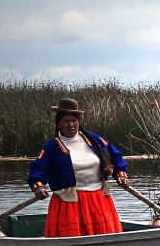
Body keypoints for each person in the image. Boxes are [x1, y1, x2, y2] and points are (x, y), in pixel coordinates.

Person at [27, 98, 131, 237]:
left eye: (74, 120)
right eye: (66, 121)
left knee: (105, 239)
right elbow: (37, 169)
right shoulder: (52, 147)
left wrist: (121, 175)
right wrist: (38, 187)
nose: (71, 125)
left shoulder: (93, 140)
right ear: (58, 124)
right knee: (71, 241)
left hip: (99, 200)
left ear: (79, 122)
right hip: (69, 204)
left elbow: (115, 156)